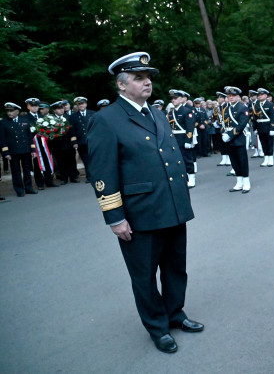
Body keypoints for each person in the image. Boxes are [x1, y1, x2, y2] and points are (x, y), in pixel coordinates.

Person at [87, 52, 203, 354]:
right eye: (139, 78)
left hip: (172, 207)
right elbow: (102, 172)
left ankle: (175, 313)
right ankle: (158, 326)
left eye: (148, 77)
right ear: (122, 85)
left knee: (176, 268)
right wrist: (114, 216)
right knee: (144, 275)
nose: (147, 82)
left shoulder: (157, 113)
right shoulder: (106, 119)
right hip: (140, 214)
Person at [1, 102, 37, 197]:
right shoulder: (4, 122)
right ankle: (19, 190)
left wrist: (33, 150)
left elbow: (29, 137)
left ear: (17, 111)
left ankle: (28, 188)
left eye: (11, 111)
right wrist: (6, 152)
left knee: (27, 170)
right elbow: (2, 139)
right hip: (13, 151)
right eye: (8, 111)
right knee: (16, 171)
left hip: (25, 150)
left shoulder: (24, 121)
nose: (9, 113)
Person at [222, 86, 251, 193]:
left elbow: (241, 124)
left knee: (242, 161)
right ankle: (239, 182)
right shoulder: (226, 109)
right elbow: (224, 123)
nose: (231, 98)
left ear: (238, 97)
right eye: (229, 96)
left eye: (233, 96)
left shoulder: (242, 108)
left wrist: (229, 134)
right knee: (234, 162)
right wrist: (223, 133)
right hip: (228, 139)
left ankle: (246, 182)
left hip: (238, 137)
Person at [25, 97, 57, 189]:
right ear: (28, 107)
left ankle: (49, 181)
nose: (35, 108)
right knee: (37, 163)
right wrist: (35, 133)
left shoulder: (42, 117)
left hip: (45, 144)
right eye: (32, 106)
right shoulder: (25, 118)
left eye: (36, 106)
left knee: (47, 160)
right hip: (34, 144)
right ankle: (40, 183)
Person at [168, 90, 197, 188]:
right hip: (175, 138)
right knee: (178, 159)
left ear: (181, 99)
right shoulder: (171, 112)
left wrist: (188, 140)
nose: (173, 100)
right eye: (172, 99)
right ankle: (183, 178)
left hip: (184, 138)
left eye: (175, 98)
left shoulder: (186, 111)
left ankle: (191, 178)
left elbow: (190, 127)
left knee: (187, 159)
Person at [49, 101, 78, 184]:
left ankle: (73, 177)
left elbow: (72, 131)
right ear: (54, 110)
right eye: (59, 109)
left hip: (69, 143)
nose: (61, 110)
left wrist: (74, 142)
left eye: (62, 108)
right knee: (61, 162)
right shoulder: (51, 119)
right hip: (58, 144)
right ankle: (64, 178)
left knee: (71, 160)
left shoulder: (68, 117)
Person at [68, 96, 95, 183]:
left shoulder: (93, 114)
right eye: (79, 104)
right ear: (77, 105)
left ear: (86, 104)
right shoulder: (73, 117)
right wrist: (74, 142)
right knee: (86, 160)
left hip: (93, 141)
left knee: (95, 159)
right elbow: (73, 131)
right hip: (81, 142)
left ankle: (97, 175)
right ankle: (89, 176)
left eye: (82, 103)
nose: (81, 105)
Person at [254, 88, 274, 167]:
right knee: (263, 143)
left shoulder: (270, 105)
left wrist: (272, 128)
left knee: (269, 143)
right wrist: (255, 128)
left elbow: (273, 117)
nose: (260, 96)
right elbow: (255, 118)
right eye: (259, 95)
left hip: (268, 126)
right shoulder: (256, 105)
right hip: (260, 127)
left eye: (262, 94)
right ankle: (265, 158)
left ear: (266, 95)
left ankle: (270, 159)